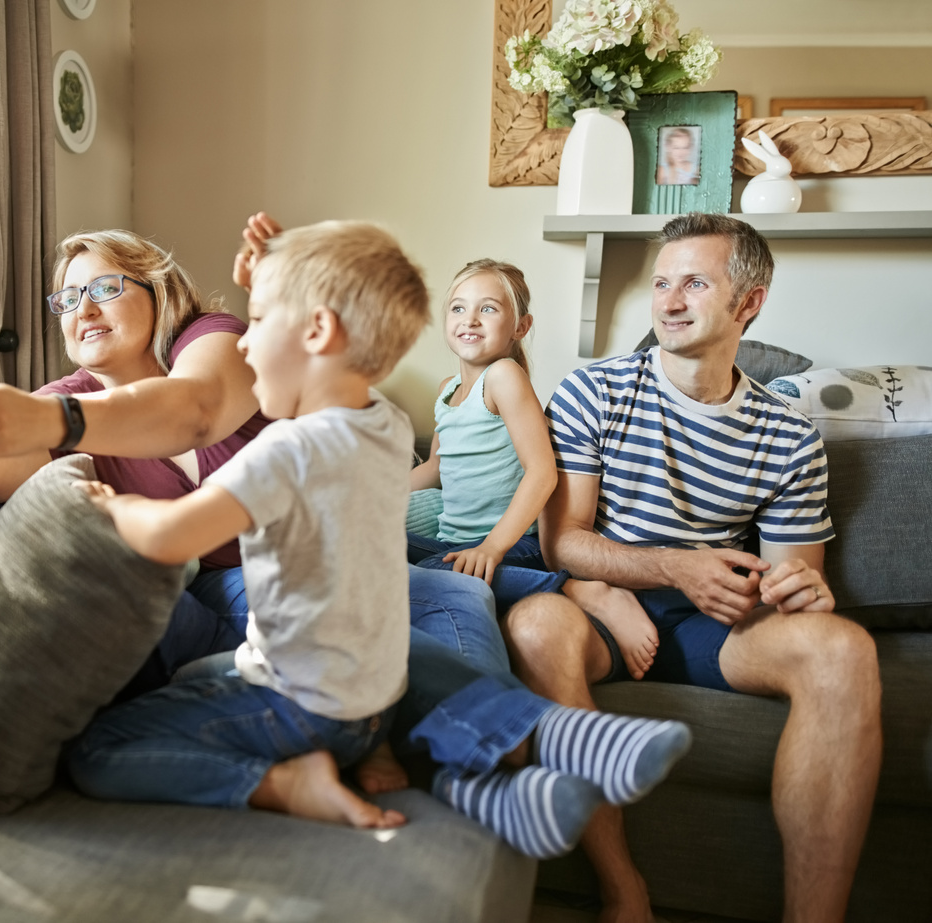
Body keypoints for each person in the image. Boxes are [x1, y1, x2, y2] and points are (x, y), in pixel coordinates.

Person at [67, 221, 693, 850]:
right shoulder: (385, 425)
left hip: (304, 703)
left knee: (96, 748)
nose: (244, 348)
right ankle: (531, 757)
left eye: (257, 323)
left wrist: (109, 507)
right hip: (373, 697)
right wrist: (281, 276)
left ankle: (284, 785)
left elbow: (172, 537)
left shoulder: (282, 452)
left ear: (316, 331)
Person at [0, 223, 500, 681]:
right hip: (230, 591)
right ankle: (474, 749)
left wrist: (46, 417)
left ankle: (483, 743)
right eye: (66, 299)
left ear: (155, 291)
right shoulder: (59, 402)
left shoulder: (212, 338)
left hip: (323, 551)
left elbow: (193, 411)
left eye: (103, 287)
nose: (81, 308)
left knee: (466, 594)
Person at [506, 212, 881, 923]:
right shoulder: (593, 391)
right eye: (661, 283)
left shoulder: (790, 435)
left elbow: (791, 581)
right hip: (602, 606)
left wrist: (802, 587)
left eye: (694, 284)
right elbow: (563, 544)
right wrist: (676, 566)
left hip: (715, 621)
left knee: (842, 650)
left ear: (748, 302)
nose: (669, 301)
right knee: (532, 626)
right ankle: (624, 893)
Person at [407, 260, 659, 680]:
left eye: (487, 309)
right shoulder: (446, 390)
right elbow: (435, 466)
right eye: (458, 308)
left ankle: (582, 590)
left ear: (520, 327)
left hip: (513, 544)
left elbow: (542, 472)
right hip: (453, 541)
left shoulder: (504, 377)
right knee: (381, 554)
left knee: (430, 578)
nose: (469, 319)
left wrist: (491, 547)